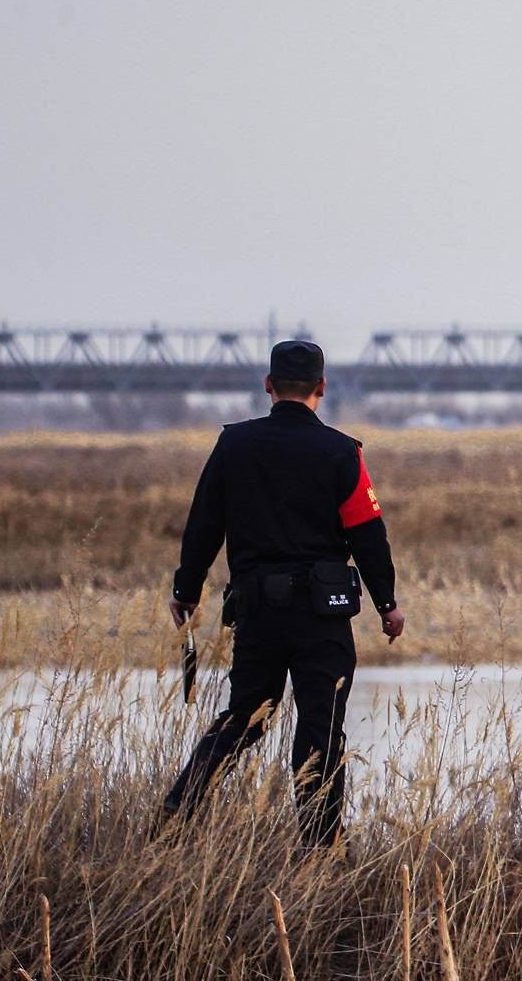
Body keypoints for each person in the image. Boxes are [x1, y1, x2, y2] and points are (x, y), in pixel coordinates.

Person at [162, 339, 403, 846]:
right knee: (321, 726)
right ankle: (319, 846)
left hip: (257, 610)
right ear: (322, 387)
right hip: (322, 615)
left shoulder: (234, 445)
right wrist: (387, 603)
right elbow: (367, 534)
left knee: (244, 718)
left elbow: (203, 522)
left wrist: (187, 588)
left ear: (268, 385)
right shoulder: (342, 451)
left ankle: (175, 815)